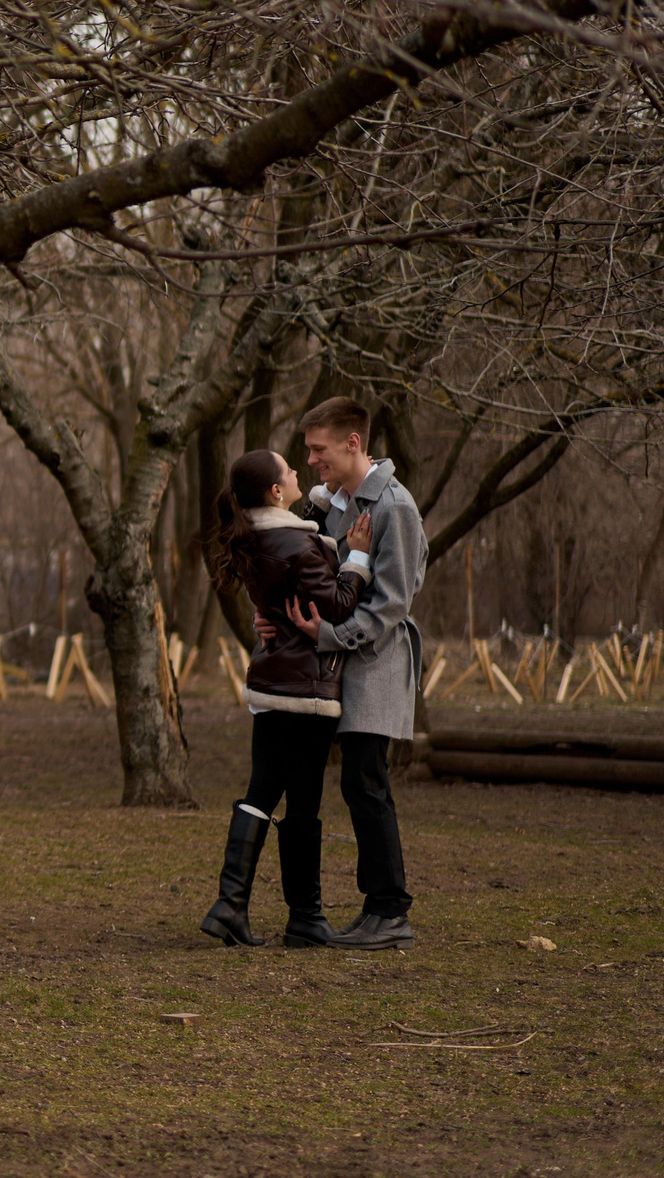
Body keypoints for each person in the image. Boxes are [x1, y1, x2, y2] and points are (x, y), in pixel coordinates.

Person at [202, 449, 372, 948]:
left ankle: (229, 905)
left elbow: (284, 586)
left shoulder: (258, 537)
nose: (300, 472)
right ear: (276, 492)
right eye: (290, 471)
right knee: (303, 800)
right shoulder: (299, 546)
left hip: (271, 683)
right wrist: (357, 557)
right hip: (306, 689)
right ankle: (305, 916)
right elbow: (337, 606)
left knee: (261, 790)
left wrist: (318, 508)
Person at [299, 396, 426, 951]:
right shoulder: (338, 504)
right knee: (357, 783)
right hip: (347, 666)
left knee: (367, 782)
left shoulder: (394, 506)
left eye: (318, 450)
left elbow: (395, 599)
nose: (311, 461)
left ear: (353, 442)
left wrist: (331, 638)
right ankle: (378, 906)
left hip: (374, 663)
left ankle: (391, 909)